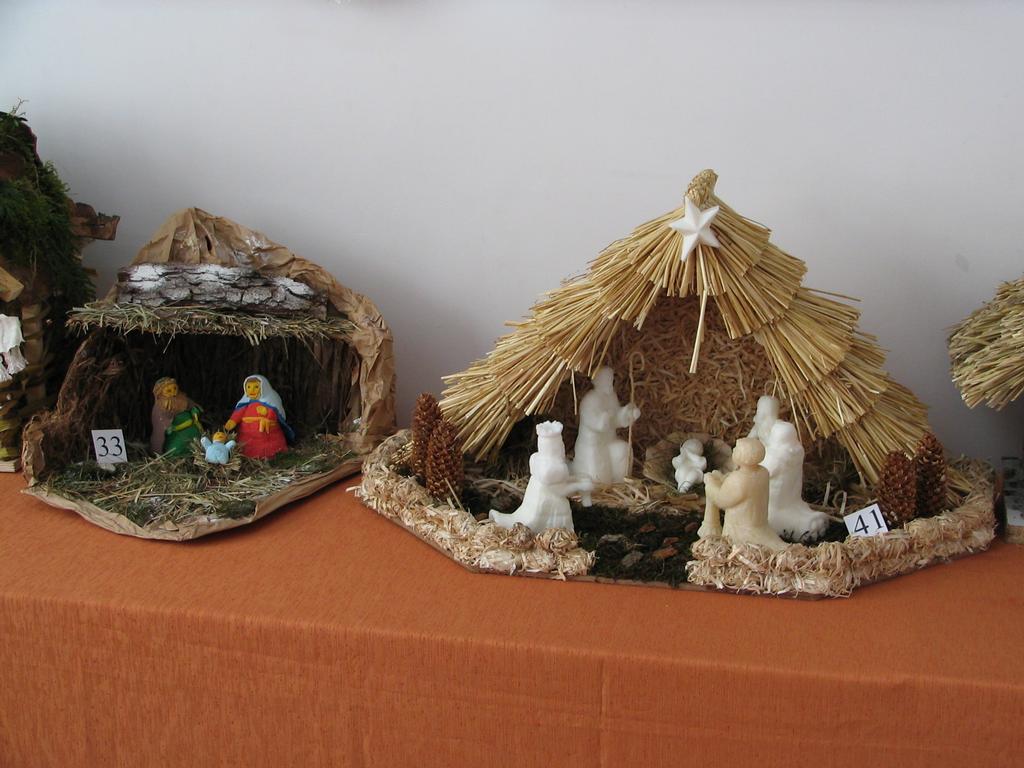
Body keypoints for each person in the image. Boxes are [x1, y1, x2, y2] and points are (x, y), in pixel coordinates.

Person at [224, 375, 293, 459]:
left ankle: (274, 453)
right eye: (249, 387)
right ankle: (247, 454)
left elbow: (275, 413)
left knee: (270, 444)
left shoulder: (271, 401)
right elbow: (239, 413)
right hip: (247, 433)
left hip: (267, 433)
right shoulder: (245, 403)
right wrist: (233, 420)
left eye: (256, 387)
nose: (252, 390)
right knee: (246, 444)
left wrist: (268, 417)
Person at [150, 377, 202, 456]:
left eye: (175, 388)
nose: (174, 392)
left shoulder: (182, 398)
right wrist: (167, 426)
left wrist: (194, 412)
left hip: (191, 426)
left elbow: (192, 406)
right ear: (160, 393)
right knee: (177, 447)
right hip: (176, 430)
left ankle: (198, 452)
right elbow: (159, 421)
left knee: (198, 440)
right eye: (169, 391)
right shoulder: (160, 406)